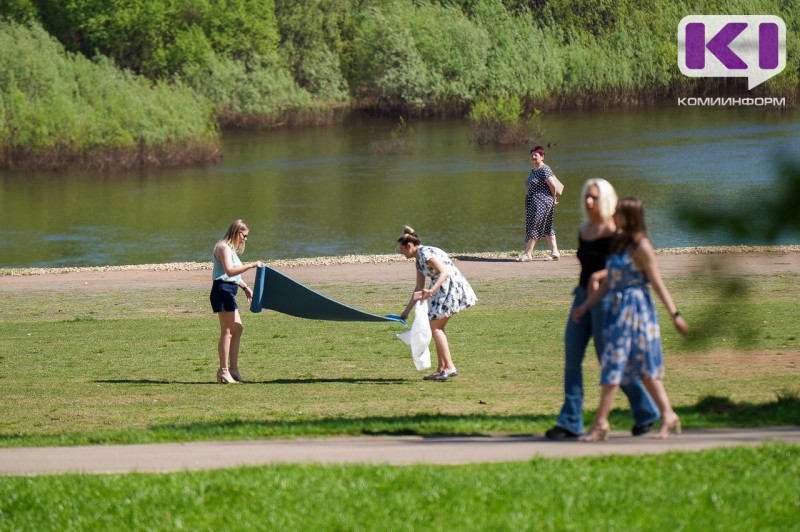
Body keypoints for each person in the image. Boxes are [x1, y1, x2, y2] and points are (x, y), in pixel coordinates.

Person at [545, 180, 660, 440]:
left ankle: (646, 412)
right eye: (586, 196)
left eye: (594, 197)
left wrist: (602, 275)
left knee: (609, 360)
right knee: (572, 357)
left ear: (605, 199)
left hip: (607, 300)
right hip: (582, 296)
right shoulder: (585, 229)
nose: (588, 201)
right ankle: (570, 421)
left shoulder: (615, 231)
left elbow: (626, 264)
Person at [572, 197, 689, 441]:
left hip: (638, 312)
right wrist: (585, 306)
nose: (613, 216)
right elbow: (610, 282)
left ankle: (602, 423)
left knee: (636, 366)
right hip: (618, 312)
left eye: (618, 212)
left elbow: (656, 282)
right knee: (619, 364)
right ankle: (666, 415)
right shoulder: (619, 244)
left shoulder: (642, 246)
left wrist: (675, 315)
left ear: (629, 216)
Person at [398, 226, 477, 381]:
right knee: (437, 327)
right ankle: (441, 369)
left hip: (450, 288)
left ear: (409, 246)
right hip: (441, 290)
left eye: (401, 249)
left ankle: (449, 367)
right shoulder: (419, 260)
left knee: (435, 328)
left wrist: (431, 290)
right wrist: (407, 310)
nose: (400, 252)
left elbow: (444, 272)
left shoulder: (425, 254)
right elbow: (419, 287)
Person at [210, 219, 263, 384]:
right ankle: (223, 370)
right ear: (236, 232)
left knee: (238, 328)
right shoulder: (223, 247)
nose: (245, 239)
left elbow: (234, 276)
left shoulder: (230, 249)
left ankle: (233, 370)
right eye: (244, 236)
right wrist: (251, 265)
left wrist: (245, 287)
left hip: (229, 290)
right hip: (222, 291)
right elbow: (229, 271)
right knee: (227, 332)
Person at [516, 145, 560, 262]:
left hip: (543, 202)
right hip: (534, 202)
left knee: (535, 225)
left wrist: (554, 198)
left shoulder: (544, 169)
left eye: (536, 155)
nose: (533, 157)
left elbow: (553, 185)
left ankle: (528, 253)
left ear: (542, 157)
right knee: (547, 227)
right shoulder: (534, 170)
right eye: (532, 155)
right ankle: (555, 252)